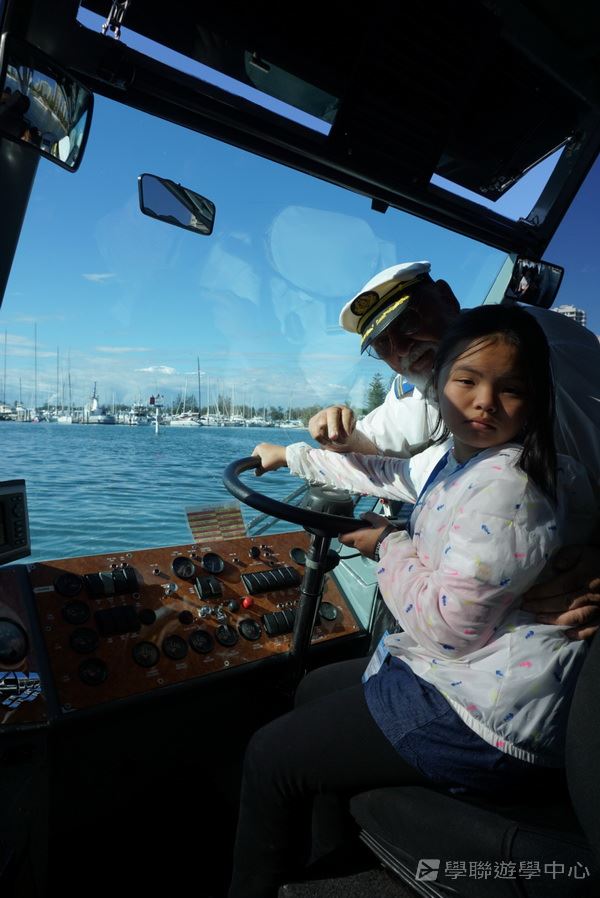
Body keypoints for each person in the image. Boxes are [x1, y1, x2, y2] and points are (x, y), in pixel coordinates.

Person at [230, 305, 597, 898]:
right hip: (479, 674)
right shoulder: (463, 458)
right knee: (314, 689)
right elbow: (382, 471)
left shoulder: (508, 488)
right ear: (440, 387)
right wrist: (290, 455)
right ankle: (331, 864)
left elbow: (448, 628)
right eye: (467, 381)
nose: (484, 402)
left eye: (511, 389)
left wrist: (388, 545)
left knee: (270, 757)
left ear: (536, 400)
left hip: (485, 713)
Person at [308, 261, 600, 639]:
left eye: (408, 321)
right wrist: (340, 434)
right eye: (383, 344)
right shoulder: (427, 377)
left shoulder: (538, 348)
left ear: (446, 297)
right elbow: (377, 445)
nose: (401, 349)